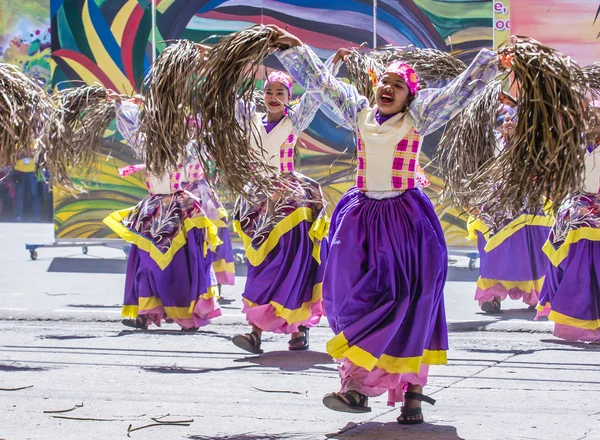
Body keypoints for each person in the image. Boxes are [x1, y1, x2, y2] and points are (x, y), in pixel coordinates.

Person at [271, 25, 506, 423]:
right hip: (360, 218)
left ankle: (404, 393)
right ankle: (357, 384)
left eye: (398, 84)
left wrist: (490, 60)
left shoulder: (420, 116)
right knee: (346, 300)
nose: (389, 87)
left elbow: (459, 92)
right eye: (385, 81)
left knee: (411, 300)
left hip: (406, 220)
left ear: (409, 96)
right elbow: (323, 85)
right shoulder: (359, 112)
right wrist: (294, 50)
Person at [230, 64, 329, 354]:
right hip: (257, 201)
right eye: (269, 92)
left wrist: (331, 63)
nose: (274, 97)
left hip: (290, 202)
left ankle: (298, 328)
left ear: (290, 96)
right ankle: (255, 332)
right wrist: (220, 61)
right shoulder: (249, 119)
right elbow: (227, 90)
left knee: (292, 265)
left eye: (280, 92)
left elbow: (317, 93)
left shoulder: (294, 120)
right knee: (260, 265)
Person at [103, 93, 222, 331]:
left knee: (179, 266)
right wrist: (121, 104)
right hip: (152, 209)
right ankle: (146, 312)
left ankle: (185, 316)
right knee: (147, 264)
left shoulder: (189, 146)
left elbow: (199, 164)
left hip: (180, 210)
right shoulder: (145, 142)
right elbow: (129, 125)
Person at [467, 113, 552, 313]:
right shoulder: (493, 144)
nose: (508, 122)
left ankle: (537, 296)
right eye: (504, 119)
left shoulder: (532, 146)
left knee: (531, 249)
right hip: (497, 202)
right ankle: (492, 296)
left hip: (526, 202)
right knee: (493, 249)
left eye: (513, 119)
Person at [536, 104, 600, 342]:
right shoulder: (574, 146)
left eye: (598, 120)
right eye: (589, 119)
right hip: (576, 205)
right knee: (561, 246)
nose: (593, 124)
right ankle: (573, 317)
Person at [13, 150, 40, 221]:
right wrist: (23, 154)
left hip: (31, 172)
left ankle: (35, 216)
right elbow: (15, 155)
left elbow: (36, 154)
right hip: (19, 171)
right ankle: (18, 216)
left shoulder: (35, 142)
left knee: (33, 195)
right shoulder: (17, 142)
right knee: (19, 196)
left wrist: (27, 154)